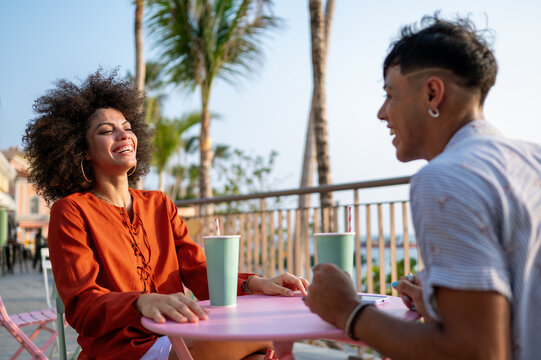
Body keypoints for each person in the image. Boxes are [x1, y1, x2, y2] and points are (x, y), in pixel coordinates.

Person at [23, 69, 309, 360]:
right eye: (106, 131)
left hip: (182, 336)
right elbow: (82, 306)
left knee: (259, 352)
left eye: (127, 126)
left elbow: (199, 273)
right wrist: (140, 303)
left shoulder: (159, 204)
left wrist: (255, 283)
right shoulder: (71, 211)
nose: (124, 134)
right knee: (267, 335)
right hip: (122, 351)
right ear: (82, 150)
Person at [304, 15, 541, 360]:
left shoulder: (445, 178)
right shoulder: (531, 159)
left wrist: (347, 311)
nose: (381, 113)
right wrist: (438, 298)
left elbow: (476, 352)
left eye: (390, 94)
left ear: (432, 92)